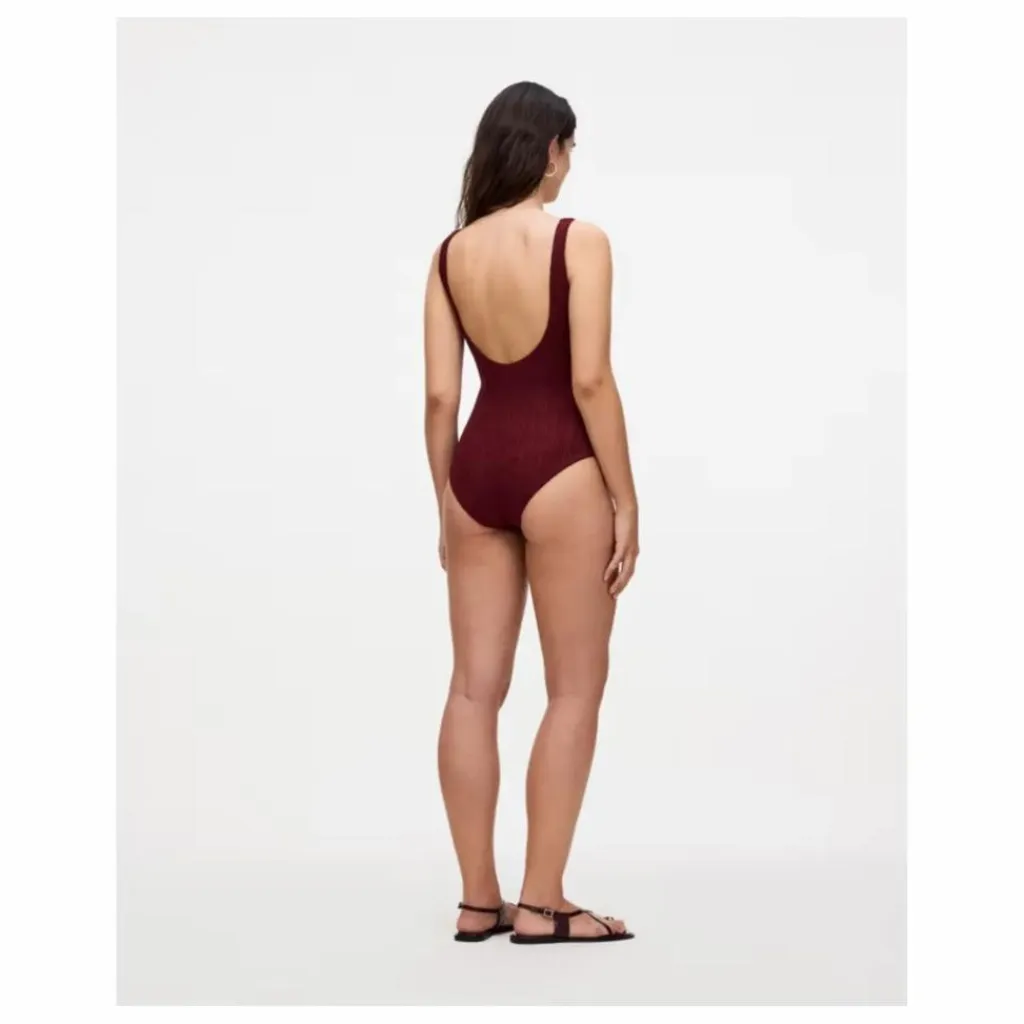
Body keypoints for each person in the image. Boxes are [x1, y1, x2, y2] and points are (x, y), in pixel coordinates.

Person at [423, 81, 639, 946]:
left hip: (475, 471)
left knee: (472, 688)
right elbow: (589, 380)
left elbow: (442, 398)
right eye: (570, 147)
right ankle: (544, 903)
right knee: (574, 688)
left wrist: (445, 503)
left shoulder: (450, 255)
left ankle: (480, 900)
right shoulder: (580, 241)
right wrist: (625, 497)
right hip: (561, 471)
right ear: (550, 150)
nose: (570, 163)